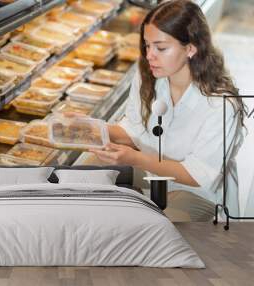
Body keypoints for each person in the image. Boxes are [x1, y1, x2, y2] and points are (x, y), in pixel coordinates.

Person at [86, 0, 245, 221]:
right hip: (156, 178)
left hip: (198, 193)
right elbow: (134, 127)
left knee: (158, 228)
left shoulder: (220, 104)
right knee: (85, 174)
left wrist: (135, 158)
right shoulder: (148, 76)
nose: (150, 55)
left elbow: (198, 175)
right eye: (147, 45)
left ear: (190, 48)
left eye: (160, 48)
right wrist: (91, 128)